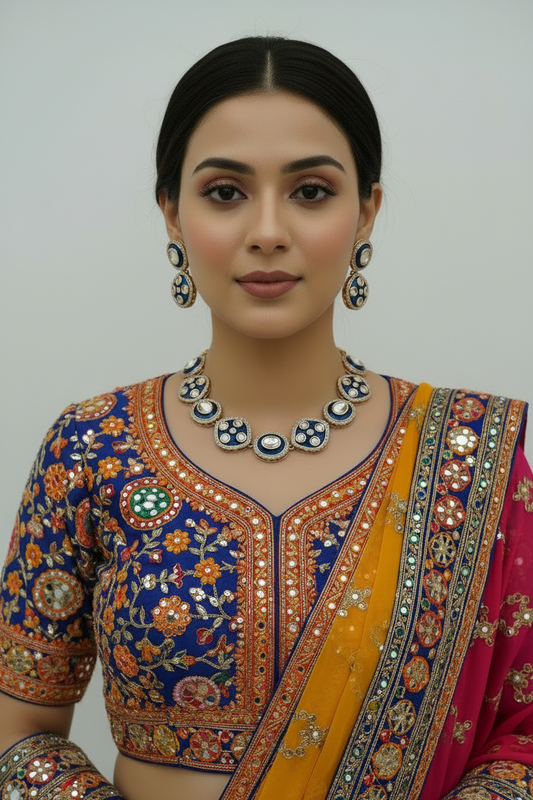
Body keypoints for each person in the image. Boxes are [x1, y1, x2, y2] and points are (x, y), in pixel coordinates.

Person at [0, 35, 532, 800]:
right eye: (224, 192)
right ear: (171, 213)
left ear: (366, 211)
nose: (268, 230)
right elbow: (18, 735)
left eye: (311, 190)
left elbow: (521, 733)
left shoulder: (464, 454)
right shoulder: (91, 447)